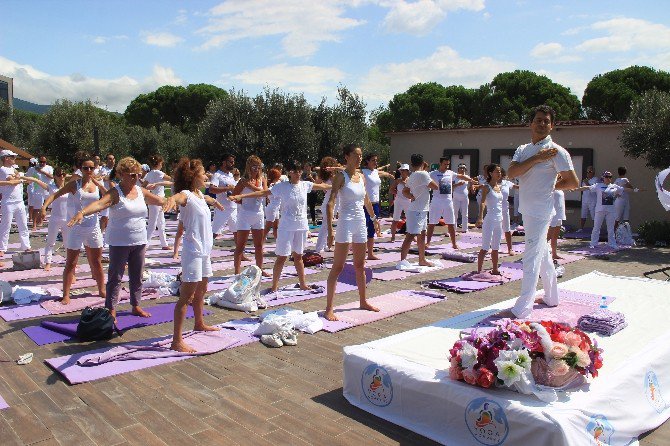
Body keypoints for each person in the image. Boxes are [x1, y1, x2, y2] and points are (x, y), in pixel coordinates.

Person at [69, 157, 171, 319]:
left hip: (139, 240)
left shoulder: (140, 191)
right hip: (119, 242)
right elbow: (99, 204)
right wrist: (82, 212)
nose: (136, 178)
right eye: (132, 175)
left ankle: (135, 305)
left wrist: (177, 201)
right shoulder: (115, 192)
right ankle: (111, 309)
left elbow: (161, 200)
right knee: (115, 277)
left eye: (137, 175)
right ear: (121, 174)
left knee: (137, 276)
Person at [504, 105, 578, 319]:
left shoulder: (557, 152)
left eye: (546, 121)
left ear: (552, 125)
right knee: (542, 253)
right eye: (538, 120)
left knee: (531, 257)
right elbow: (512, 173)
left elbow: (572, 182)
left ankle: (523, 307)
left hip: (541, 211)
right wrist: (537, 158)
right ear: (531, 123)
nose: (542, 124)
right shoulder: (523, 149)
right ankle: (552, 296)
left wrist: (550, 186)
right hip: (526, 209)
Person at [230, 160, 331, 292]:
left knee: (299, 256)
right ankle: (274, 286)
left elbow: (324, 186)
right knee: (282, 257)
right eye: (295, 171)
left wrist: (341, 183)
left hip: (301, 225)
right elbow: (263, 193)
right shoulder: (282, 186)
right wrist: (242, 195)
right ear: (290, 172)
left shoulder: (305, 185)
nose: (298, 173)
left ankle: (303, 283)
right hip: (286, 226)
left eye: (300, 171)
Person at [169, 158, 224, 352]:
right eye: (202, 173)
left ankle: (199, 323)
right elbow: (178, 198)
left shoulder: (199, 194)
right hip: (192, 252)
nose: (206, 176)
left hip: (205, 251)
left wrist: (215, 201)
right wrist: (170, 200)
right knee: (186, 296)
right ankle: (176, 340)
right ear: (193, 176)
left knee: (202, 290)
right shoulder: (186, 195)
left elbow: (206, 199)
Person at [324, 144, 381, 321]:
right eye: (356, 155)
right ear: (347, 157)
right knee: (338, 267)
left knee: (359, 265)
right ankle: (329, 308)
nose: (359, 158)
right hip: (345, 223)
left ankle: (363, 301)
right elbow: (330, 203)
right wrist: (330, 230)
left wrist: (374, 219)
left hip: (360, 223)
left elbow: (366, 200)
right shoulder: (341, 177)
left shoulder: (361, 177)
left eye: (361, 155)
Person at [42, 153, 108, 305]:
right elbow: (55, 195)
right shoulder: (74, 184)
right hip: (75, 227)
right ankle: (66, 294)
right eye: (86, 168)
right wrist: (45, 207)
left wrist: (98, 183)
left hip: (93, 226)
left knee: (96, 261)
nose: (89, 170)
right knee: (71, 262)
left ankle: (101, 289)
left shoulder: (96, 184)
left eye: (92, 167)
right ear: (81, 169)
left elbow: (108, 196)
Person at [574, 171, 632, 249]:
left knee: (611, 228)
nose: (608, 178)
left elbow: (624, 189)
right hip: (599, 210)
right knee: (596, 228)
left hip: (610, 210)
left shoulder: (614, 186)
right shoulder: (598, 185)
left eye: (610, 177)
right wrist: (576, 189)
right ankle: (593, 244)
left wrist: (636, 190)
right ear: (603, 178)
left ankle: (612, 243)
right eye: (606, 177)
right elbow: (587, 187)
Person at [0, 150, 40, 263]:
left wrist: (19, 176)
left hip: (19, 201)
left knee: (23, 225)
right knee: (5, 226)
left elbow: (18, 178)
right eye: (12, 157)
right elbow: (12, 181)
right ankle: (2, 248)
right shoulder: (3, 169)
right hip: (8, 202)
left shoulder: (13, 169)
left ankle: (26, 246)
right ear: (6, 158)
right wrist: (20, 177)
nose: (14, 159)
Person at [399, 154, 439, 266]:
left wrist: (412, 196)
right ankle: (403, 261)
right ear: (422, 163)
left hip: (420, 209)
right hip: (418, 210)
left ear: (412, 164)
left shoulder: (412, 176)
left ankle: (422, 259)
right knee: (411, 235)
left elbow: (404, 191)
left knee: (421, 234)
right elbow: (435, 186)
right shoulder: (423, 174)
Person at [231, 155, 268, 275]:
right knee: (240, 246)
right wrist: (242, 201)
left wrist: (251, 187)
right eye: (253, 166)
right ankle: (237, 272)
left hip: (258, 214)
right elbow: (233, 196)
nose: (256, 169)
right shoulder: (243, 181)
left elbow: (265, 194)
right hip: (245, 215)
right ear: (248, 167)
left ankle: (260, 269)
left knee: (259, 245)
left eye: (258, 166)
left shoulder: (262, 179)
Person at [426, 157, 474, 248]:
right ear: (440, 164)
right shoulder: (433, 174)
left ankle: (454, 243)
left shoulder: (450, 173)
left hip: (448, 201)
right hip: (436, 200)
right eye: (445, 164)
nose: (447, 166)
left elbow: (461, 176)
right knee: (432, 223)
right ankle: (428, 242)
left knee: (451, 223)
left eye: (448, 164)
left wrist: (471, 180)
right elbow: (424, 179)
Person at [33, 168, 68, 271]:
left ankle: (69, 261)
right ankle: (48, 262)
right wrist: (25, 178)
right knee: (50, 241)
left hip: (67, 218)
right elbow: (37, 181)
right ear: (55, 177)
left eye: (63, 175)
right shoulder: (51, 188)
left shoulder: (69, 187)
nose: (62, 177)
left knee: (68, 242)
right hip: (55, 218)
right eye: (59, 175)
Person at [361, 153, 395, 260]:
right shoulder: (363, 172)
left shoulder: (375, 172)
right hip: (365, 205)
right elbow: (346, 169)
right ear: (367, 161)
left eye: (376, 160)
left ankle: (370, 254)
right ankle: (360, 254)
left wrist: (390, 175)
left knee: (372, 229)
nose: (375, 162)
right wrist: (334, 168)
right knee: (362, 229)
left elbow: (382, 173)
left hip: (376, 204)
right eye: (373, 160)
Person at [476, 164, 504, 274]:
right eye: (497, 172)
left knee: (496, 247)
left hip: (499, 219)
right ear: (491, 173)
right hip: (490, 219)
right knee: (485, 246)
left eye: (500, 172)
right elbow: (482, 202)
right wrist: (480, 217)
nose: (499, 174)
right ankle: (479, 270)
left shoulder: (499, 187)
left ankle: (495, 269)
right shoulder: (486, 187)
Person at [143, 154, 172, 250]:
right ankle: (145, 244)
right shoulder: (159, 173)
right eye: (161, 163)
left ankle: (164, 244)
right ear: (159, 163)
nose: (162, 164)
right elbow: (171, 179)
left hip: (155, 200)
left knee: (160, 222)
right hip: (158, 200)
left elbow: (144, 185)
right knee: (153, 223)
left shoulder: (149, 174)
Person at [314, 156, 340, 253]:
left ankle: (325, 246)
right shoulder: (328, 176)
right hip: (329, 203)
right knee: (325, 225)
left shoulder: (335, 174)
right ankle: (319, 247)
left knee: (328, 225)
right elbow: (316, 185)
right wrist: (325, 187)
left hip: (336, 202)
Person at [209, 154, 238, 240]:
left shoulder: (231, 175)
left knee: (237, 232)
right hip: (222, 208)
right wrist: (227, 188)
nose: (233, 164)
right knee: (214, 233)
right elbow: (212, 189)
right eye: (231, 162)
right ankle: (205, 251)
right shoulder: (217, 175)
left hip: (233, 208)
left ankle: (239, 253)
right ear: (224, 162)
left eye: (233, 162)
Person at [499, 168, 519, 254]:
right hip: (494, 210)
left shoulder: (507, 183)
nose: (499, 174)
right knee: (494, 229)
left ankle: (510, 249)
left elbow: (517, 187)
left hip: (504, 210)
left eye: (500, 173)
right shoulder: (491, 183)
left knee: (507, 229)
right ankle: (492, 247)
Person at [389, 164, 411, 242]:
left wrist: (404, 184)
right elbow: (391, 190)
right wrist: (398, 193)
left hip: (408, 201)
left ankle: (411, 236)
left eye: (403, 170)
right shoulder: (398, 180)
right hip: (398, 201)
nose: (402, 172)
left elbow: (413, 191)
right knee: (395, 219)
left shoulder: (410, 180)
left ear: (407, 172)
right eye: (401, 171)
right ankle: (393, 236)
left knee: (410, 219)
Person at [98, 153, 115, 236]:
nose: (112, 160)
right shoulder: (104, 169)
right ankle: (100, 234)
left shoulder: (117, 169)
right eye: (109, 159)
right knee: (104, 217)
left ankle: (110, 235)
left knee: (114, 217)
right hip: (106, 196)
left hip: (116, 196)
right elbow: (105, 178)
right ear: (106, 160)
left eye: (113, 159)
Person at [548, 183, 566, 259]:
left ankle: (554, 254)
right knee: (548, 236)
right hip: (553, 215)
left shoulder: (561, 189)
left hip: (560, 215)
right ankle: (537, 254)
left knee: (555, 236)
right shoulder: (550, 187)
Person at [264, 168, 282, 240]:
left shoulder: (276, 184)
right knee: (267, 228)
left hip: (276, 208)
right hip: (272, 208)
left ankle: (278, 242)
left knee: (276, 227)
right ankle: (260, 244)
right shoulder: (273, 185)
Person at [579, 166, 598, 230]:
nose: (588, 173)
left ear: (593, 172)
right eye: (587, 172)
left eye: (590, 171)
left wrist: (586, 182)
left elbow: (592, 189)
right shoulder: (585, 180)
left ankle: (596, 229)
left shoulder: (596, 179)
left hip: (592, 201)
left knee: (594, 216)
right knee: (583, 215)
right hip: (585, 200)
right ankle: (581, 228)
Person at [453, 163, 470, 233]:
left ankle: (465, 229)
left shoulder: (467, 177)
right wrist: (458, 184)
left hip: (464, 197)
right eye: (461, 168)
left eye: (463, 168)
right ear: (458, 169)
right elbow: (451, 186)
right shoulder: (454, 177)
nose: (462, 169)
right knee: (455, 213)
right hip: (456, 197)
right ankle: (453, 229)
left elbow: (470, 185)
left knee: (465, 213)